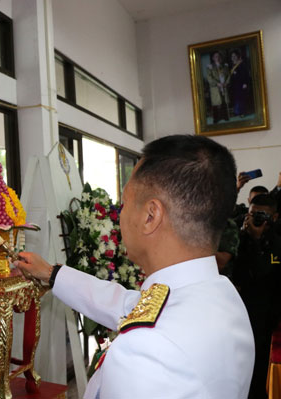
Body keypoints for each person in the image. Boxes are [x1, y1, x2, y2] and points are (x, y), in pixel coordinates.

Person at [15, 135, 254, 398]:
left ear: (151, 216)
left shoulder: (147, 352)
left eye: (125, 203)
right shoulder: (221, 295)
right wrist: (52, 274)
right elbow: (128, 304)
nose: (120, 213)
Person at [233, 194, 281, 399]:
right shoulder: (238, 236)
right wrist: (247, 238)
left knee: (258, 370)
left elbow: (263, 270)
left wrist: (257, 240)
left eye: (264, 215)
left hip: (265, 316)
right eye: (254, 214)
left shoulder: (277, 242)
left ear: (275, 217)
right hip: (236, 311)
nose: (258, 219)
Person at [206, 51, 230, 123]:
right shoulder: (210, 67)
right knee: (216, 103)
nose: (218, 58)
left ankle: (225, 117)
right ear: (213, 58)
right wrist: (217, 84)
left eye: (219, 56)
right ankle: (216, 119)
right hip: (216, 88)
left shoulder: (225, 66)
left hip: (224, 86)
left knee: (224, 102)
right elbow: (209, 78)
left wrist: (226, 83)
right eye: (216, 56)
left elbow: (229, 75)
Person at [228, 49, 252, 118]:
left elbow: (246, 74)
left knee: (241, 99)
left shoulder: (242, 64)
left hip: (241, 84)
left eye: (235, 56)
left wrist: (245, 83)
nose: (233, 57)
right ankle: (237, 112)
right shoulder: (232, 65)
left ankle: (242, 112)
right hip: (234, 85)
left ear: (238, 56)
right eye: (232, 56)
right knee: (236, 99)